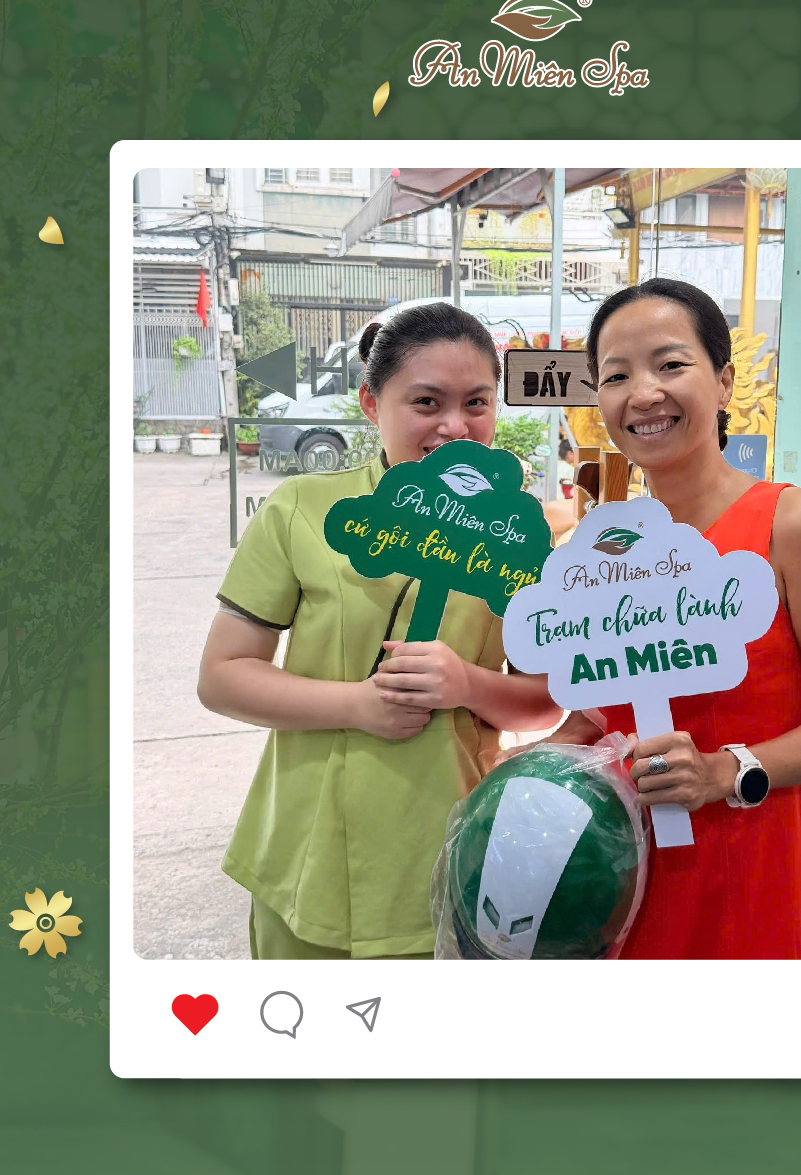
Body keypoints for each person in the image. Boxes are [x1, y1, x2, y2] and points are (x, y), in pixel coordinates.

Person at [529, 278, 801, 958]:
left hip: (747, 872)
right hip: (617, 883)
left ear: (723, 383)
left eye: (670, 365)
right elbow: (597, 717)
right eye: (616, 376)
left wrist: (727, 770)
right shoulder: (604, 546)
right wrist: (533, 765)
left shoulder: (793, 525)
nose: (643, 394)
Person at [197, 303, 562, 960]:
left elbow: (542, 703)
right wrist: (357, 705)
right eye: (426, 402)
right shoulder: (301, 510)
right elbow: (222, 677)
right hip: (305, 853)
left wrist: (467, 684)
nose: (455, 426)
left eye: (477, 403)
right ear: (372, 404)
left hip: (446, 855)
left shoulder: (520, 538)